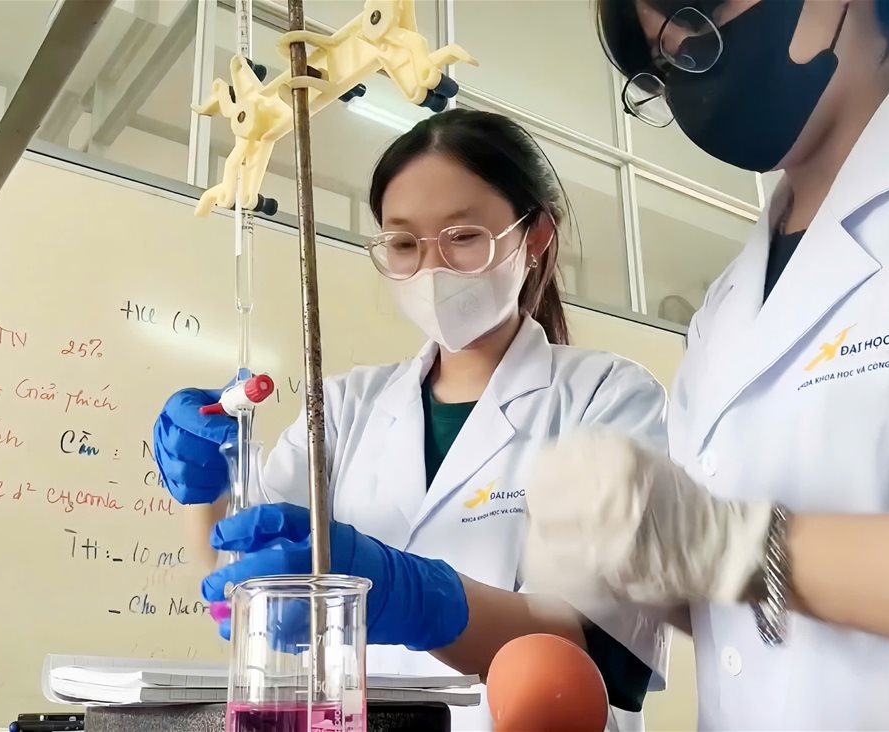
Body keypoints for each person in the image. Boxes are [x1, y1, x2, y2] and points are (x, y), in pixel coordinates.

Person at [523, 1, 889, 729]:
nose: (689, 70)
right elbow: (740, 610)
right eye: (663, 59)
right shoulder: (724, 308)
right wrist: (635, 554)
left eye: (698, 14)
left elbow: (743, 555)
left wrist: (740, 549)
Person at [153, 109, 672, 731]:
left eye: (463, 236)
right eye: (403, 244)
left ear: (535, 237)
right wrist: (212, 485)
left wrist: (417, 599)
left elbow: (607, 649)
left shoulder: (607, 398)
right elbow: (243, 590)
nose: (432, 269)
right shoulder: (341, 408)